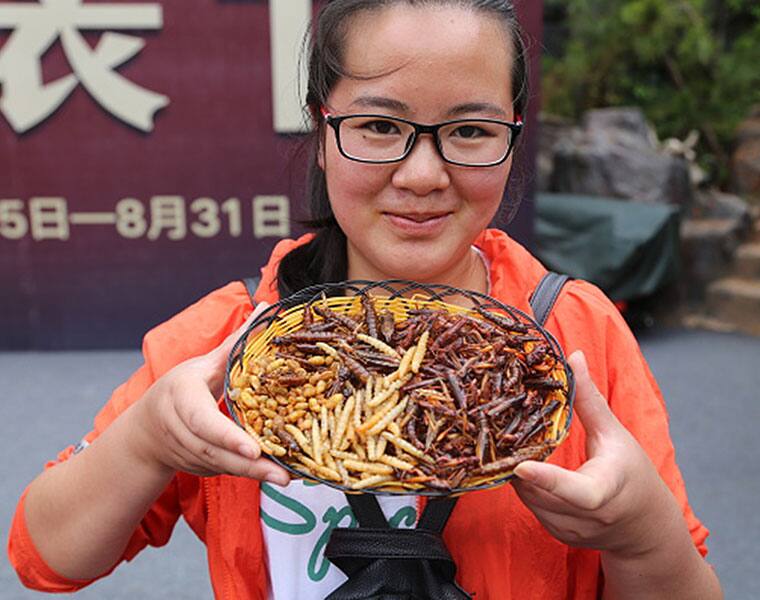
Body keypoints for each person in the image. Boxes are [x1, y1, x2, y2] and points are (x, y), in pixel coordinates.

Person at [8, 1, 723, 599]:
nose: (421, 174)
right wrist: (149, 437)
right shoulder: (227, 344)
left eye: (470, 132)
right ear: (322, 133)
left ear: (512, 142)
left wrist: (640, 530)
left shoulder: (574, 337)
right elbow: (45, 556)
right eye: (380, 126)